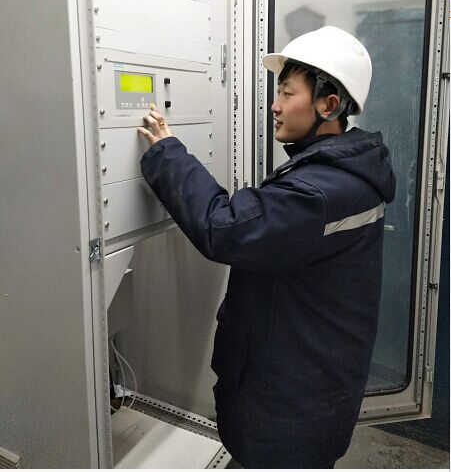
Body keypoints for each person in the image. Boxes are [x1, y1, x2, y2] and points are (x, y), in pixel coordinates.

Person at [138, 26, 396, 469]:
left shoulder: (315, 193)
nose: (275, 105)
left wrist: (166, 152)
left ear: (329, 105)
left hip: (289, 408)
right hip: (317, 385)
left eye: (287, 93)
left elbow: (223, 228)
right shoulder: (354, 169)